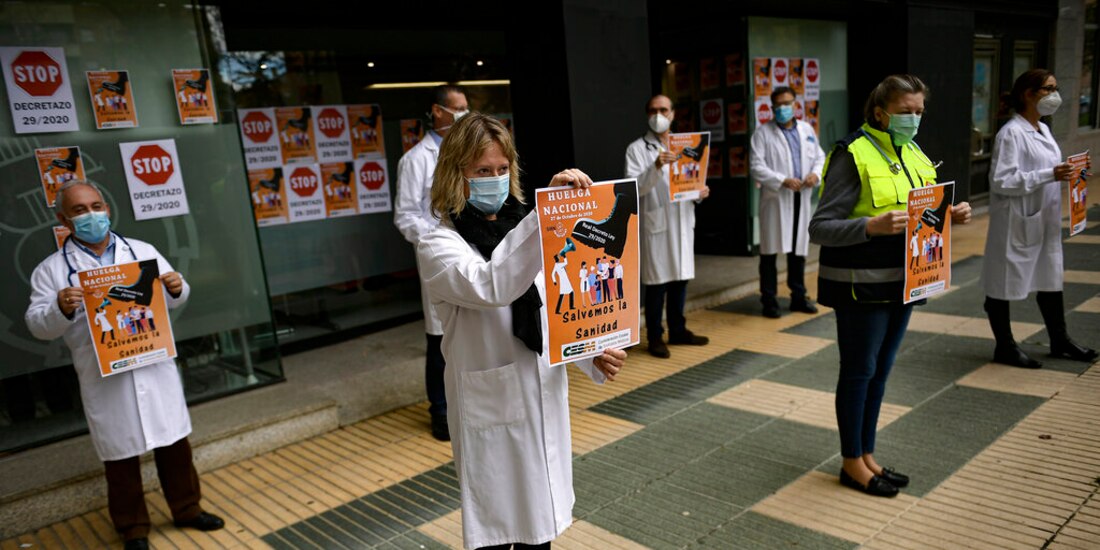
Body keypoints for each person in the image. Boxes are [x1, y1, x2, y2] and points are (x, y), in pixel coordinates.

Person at [417, 113, 627, 550]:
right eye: (481, 171)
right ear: (456, 176)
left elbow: (554, 306)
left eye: (501, 169)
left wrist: (590, 352)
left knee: (540, 531)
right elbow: (493, 284)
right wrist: (549, 215)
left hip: (539, 397)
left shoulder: (524, 228)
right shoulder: (438, 244)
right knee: (496, 531)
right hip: (491, 407)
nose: (494, 179)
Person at [25, 180, 224, 550]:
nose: (91, 215)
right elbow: (38, 326)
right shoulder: (51, 271)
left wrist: (178, 286)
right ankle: (133, 529)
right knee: (120, 457)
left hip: (152, 362)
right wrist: (61, 307)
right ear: (62, 219)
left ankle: (188, 509)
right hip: (105, 378)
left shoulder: (142, 252)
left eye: (96, 206)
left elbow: (173, 298)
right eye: (80, 210)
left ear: (108, 208)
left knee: (175, 446)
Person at [809, 75, 972, 498]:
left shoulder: (914, 152)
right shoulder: (852, 153)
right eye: (905, 112)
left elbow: (923, 212)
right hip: (862, 286)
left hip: (906, 281)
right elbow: (820, 227)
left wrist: (949, 215)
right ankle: (850, 462)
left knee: (881, 371)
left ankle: (867, 455)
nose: (913, 119)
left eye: (918, 111)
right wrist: (870, 226)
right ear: (881, 112)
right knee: (860, 370)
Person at [982, 69, 1098, 369]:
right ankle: (1004, 346)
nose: (1054, 95)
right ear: (1028, 94)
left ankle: (1059, 340)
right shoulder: (1011, 133)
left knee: (1050, 277)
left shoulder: (1043, 129)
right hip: (1016, 221)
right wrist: (1050, 174)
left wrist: (1071, 175)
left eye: (1055, 88)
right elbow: (1001, 181)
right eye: (1048, 89)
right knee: (1002, 282)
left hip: (1042, 219)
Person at [394, 84, 469, 441]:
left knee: (468, 330)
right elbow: (406, 215)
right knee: (439, 336)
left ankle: (464, 404)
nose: (463, 115)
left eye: (467, 108)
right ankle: (439, 410)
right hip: (439, 255)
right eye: (458, 108)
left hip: (472, 253)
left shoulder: (468, 153)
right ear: (437, 112)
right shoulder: (415, 160)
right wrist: (437, 241)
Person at [625, 94, 711, 359]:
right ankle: (655, 336)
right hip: (657, 224)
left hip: (682, 220)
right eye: (653, 110)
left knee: (680, 280)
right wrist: (656, 166)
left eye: (663, 109)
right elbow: (634, 188)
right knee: (657, 284)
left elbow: (692, 179)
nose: (658, 114)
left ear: (673, 113)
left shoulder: (688, 145)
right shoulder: (637, 149)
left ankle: (678, 329)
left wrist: (700, 191)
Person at [749, 86, 826, 318]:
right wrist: (781, 180)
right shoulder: (762, 133)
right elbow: (756, 166)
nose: (783, 108)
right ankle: (769, 301)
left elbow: (819, 156)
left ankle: (798, 297)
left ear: (795, 104)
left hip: (800, 198)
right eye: (779, 105)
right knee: (769, 254)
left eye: (787, 103)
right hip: (776, 200)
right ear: (772, 108)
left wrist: (815, 174)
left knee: (798, 251)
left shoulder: (806, 129)